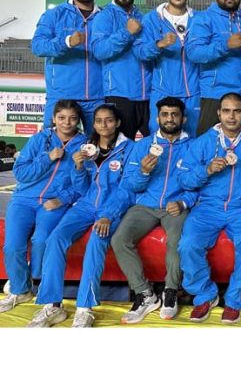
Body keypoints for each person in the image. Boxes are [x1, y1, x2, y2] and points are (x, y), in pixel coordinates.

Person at [28, 103, 135, 327]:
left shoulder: (129, 149)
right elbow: (82, 188)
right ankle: (52, 306)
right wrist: (78, 168)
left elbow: (128, 189)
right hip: (85, 205)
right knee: (55, 238)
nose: (103, 125)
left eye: (108, 120)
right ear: (93, 124)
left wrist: (108, 215)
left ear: (117, 123)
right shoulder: (87, 148)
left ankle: (85, 308)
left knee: (97, 241)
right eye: (98, 120)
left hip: (111, 209)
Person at [176, 93, 241, 324]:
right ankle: (205, 295)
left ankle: (235, 299)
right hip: (208, 207)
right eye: (226, 111)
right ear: (219, 113)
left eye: (237, 111)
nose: (231, 116)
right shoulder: (204, 142)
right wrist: (206, 170)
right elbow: (184, 180)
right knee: (187, 244)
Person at [111, 97, 196, 324]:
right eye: (165, 114)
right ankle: (145, 293)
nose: (170, 119)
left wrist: (183, 202)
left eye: (174, 114)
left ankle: (170, 291)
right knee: (120, 239)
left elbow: (200, 184)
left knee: (177, 239)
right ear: (157, 118)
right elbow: (130, 184)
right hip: (145, 205)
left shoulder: (193, 147)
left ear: (183, 118)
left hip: (175, 207)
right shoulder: (142, 146)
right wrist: (143, 172)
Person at [0, 101, 86, 314]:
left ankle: (31, 278)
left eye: (73, 118)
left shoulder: (84, 145)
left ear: (79, 121)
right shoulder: (40, 139)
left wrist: (62, 200)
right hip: (24, 200)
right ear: (54, 119)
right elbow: (20, 173)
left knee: (41, 241)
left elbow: (84, 185)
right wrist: (48, 158)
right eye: (62, 117)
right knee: (12, 246)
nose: (67, 122)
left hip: (53, 202)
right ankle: (20, 290)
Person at [186, 0, 241, 136]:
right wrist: (225, 45)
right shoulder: (204, 19)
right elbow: (194, 53)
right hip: (215, 96)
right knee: (209, 151)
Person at [31, 0, 103, 135]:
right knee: (52, 144)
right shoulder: (53, 15)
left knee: (99, 146)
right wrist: (66, 42)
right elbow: (38, 46)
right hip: (61, 95)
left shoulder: (105, 17)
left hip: (97, 97)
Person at [135, 0, 200, 137]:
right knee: (159, 140)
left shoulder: (200, 19)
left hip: (193, 92)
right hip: (163, 91)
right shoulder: (151, 19)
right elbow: (140, 52)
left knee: (193, 139)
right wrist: (159, 44)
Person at [91, 0, 150, 140]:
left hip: (148, 94)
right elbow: (100, 51)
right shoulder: (104, 17)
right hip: (120, 94)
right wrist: (126, 32)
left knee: (155, 148)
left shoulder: (144, 17)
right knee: (120, 148)